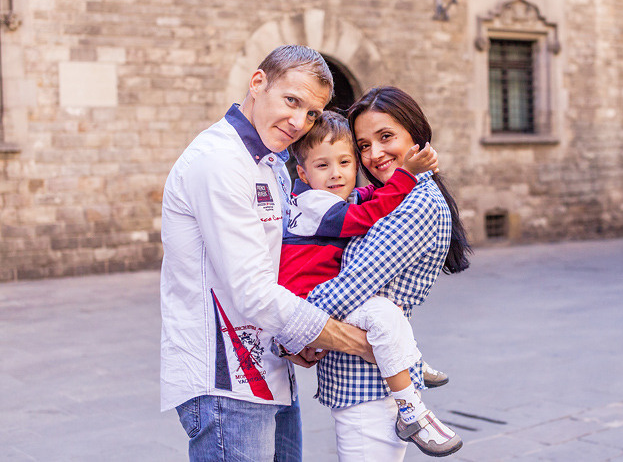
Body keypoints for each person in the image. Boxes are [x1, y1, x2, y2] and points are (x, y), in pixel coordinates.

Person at [159, 45, 375, 462]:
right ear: (258, 83)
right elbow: (252, 291)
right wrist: (357, 342)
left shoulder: (271, 162)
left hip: (271, 369)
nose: (299, 122)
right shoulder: (219, 161)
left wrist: (295, 339)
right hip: (227, 383)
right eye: (292, 101)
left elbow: (279, 267)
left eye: (312, 113)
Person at [277, 111, 462, 457]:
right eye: (365, 145)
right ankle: (412, 394)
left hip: (367, 383)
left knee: (384, 314)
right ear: (302, 173)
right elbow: (363, 214)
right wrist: (406, 174)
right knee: (383, 314)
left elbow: (361, 208)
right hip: (319, 314)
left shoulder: (407, 202)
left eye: (346, 160)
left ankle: (411, 386)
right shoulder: (319, 204)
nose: (337, 173)